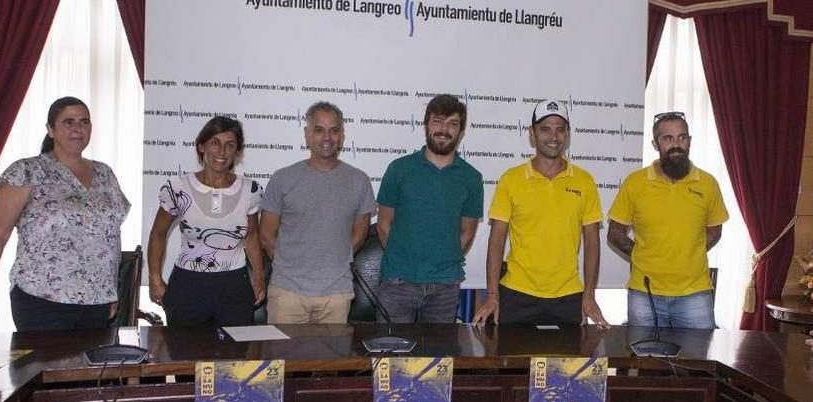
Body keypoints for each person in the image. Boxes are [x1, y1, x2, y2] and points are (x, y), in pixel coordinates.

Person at [0, 97, 129, 333]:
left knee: (89, 370)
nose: (78, 128)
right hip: (41, 302)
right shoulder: (26, 171)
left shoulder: (105, 174)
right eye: (68, 122)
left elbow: (110, 238)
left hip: (97, 303)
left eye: (84, 121)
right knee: (42, 370)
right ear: (51, 130)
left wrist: (111, 292)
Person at [472, 99, 608, 328]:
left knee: (565, 365)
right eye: (545, 129)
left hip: (569, 296)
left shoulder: (585, 182)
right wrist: (493, 296)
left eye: (560, 129)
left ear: (568, 134)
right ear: (532, 134)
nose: (553, 137)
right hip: (517, 294)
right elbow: (496, 241)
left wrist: (589, 296)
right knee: (515, 364)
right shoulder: (511, 179)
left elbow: (592, 242)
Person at [607, 111, 728, 329]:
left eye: (682, 137)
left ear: (689, 141)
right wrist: (643, 255)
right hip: (645, 293)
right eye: (668, 138)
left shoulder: (708, 183)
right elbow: (615, 233)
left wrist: (689, 253)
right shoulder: (635, 183)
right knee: (646, 361)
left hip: (695, 293)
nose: (676, 145)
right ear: (655, 144)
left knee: (698, 360)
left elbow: (715, 230)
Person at [259, 101, 376, 324]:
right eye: (319, 130)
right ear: (307, 135)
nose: (327, 137)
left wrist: (333, 264)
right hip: (287, 294)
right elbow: (266, 235)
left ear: (342, 135)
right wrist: (292, 266)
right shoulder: (282, 178)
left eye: (334, 130)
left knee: (330, 360)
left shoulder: (359, 180)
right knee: (283, 359)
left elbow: (360, 233)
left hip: (336, 295)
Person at [147, 116, 265, 327]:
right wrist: (155, 278)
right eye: (215, 143)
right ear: (202, 146)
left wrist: (258, 276)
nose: (222, 151)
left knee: (235, 357)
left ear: (237, 151)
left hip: (234, 286)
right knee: (184, 354)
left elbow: (252, 234)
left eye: (230, 145)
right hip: (187, 286)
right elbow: (158, 234)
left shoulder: (251, 190)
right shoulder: (177, 188)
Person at [376, 94, 483, 323]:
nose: (444, 129)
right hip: (397, 283)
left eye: (452, 123)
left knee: (438, 356)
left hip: (444, 287)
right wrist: (404, 263)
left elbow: (467, 233)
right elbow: (384, 225)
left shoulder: (471, 178)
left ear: (461, 131)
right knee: (390, 355)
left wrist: (441, 262)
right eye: (437, 121)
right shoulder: (399, 170)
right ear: (426, 125)